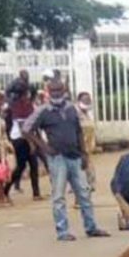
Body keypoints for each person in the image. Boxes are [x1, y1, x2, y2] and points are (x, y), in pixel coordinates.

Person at [29, 78, 109, 242]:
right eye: (53, 91)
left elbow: (78, 131)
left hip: (75, 156)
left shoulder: (71, 109)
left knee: (84, 193)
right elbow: (27, 129)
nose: (56, 94)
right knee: (59, 196)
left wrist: (84, 154)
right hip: (57, 158)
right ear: (48, 92)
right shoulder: (43, 111)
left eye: (59, 90)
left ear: (64, 90)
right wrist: (44, 146)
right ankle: (62, 231)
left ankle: (91, 227)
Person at [3, 89, 40, 200]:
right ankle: (5, 190)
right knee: (21, 166)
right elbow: (22, 127)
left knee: (33, 165)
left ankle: (36, 193)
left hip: (26, 139)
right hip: (20, 139)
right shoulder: (20, 107)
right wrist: (31, 143)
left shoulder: (26, 106)